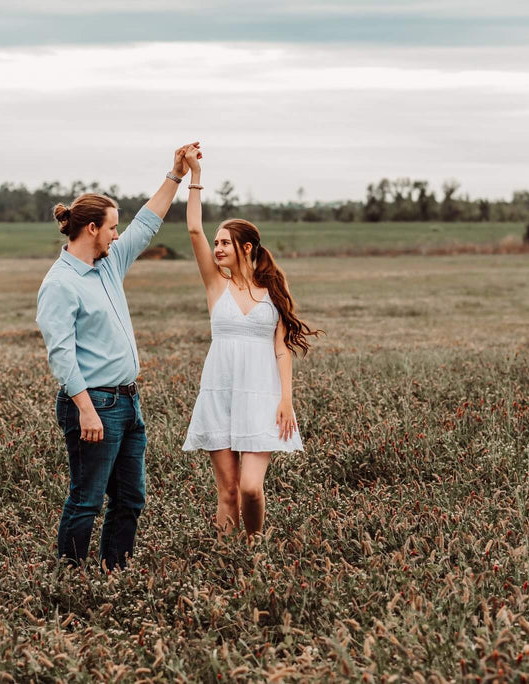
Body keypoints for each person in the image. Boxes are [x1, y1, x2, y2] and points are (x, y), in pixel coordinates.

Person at [36, 142, 198, 570]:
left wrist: (176, 173)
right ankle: (68, 579)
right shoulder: (60, 284)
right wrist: (85, 410)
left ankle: (114, 573)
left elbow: (148, 223)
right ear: (91, 229)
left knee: (130, 497)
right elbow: (61, 356)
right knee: (86, 499)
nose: (116, 234)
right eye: (111, 227)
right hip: (94, 405)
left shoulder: (108, 264)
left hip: (127, 401)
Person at [180, 147, 320, 538]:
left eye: (225, 242)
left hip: (262, 396)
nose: (217, 247)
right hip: (219, 393)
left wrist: (287, 399)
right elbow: (193, 230)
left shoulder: (272, 290)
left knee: (250, 489)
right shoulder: (215, 285)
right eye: (216, 242)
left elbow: (281, 349)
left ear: (246, 248)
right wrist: (195, 176)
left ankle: (254, 547)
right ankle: (229, 562)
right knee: (227, 492)